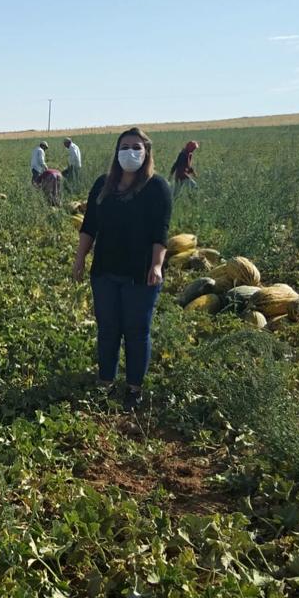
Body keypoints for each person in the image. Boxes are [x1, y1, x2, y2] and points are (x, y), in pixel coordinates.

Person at [72, 127, 171, 412]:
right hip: (104, 270)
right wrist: (80, 259)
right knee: (108, 328)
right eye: (125, 146)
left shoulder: (157, 187)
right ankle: (105, 382)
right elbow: (89, 225)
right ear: (117, 152)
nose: (130, 152)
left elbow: (160, 232)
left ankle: (134, 389)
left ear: (146, 152)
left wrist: (156, 265)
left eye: (136, 147)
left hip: (140, 273)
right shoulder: (103, 185)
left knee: (137, 330)